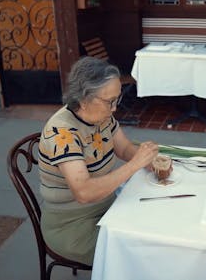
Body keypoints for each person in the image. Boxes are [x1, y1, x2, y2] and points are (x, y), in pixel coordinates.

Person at [38, 57, 159, 265]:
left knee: (155, 226)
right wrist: (135, 164)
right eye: (109, 101)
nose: (114, 109)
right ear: (84, 99)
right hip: (72, 225)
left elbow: (124, 148)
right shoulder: (62, 133)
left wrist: (148, 159)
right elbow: (84, 192)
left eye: (117, 99)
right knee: (142, 253)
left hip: (108, 206)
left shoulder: (102, 117)